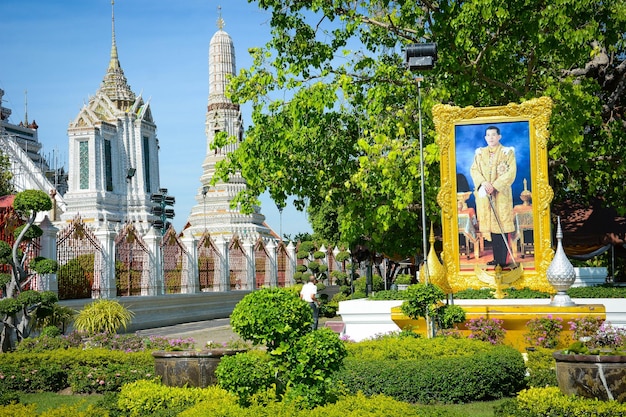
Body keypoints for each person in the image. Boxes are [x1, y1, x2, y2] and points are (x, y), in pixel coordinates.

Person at [469, 126, 517, 267]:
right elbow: (474, 170)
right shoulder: (479, 154)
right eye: (488, 135)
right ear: (485, 138)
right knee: (492, 229)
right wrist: (483, 183)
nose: (491, 137)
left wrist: (494, 186)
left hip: (501, 195)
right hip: (486, 196)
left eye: (493, 135)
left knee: (502, 227)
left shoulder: (507, 152)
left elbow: (511, 172)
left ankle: (504, 260)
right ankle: (497, 258)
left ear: (499, 137)